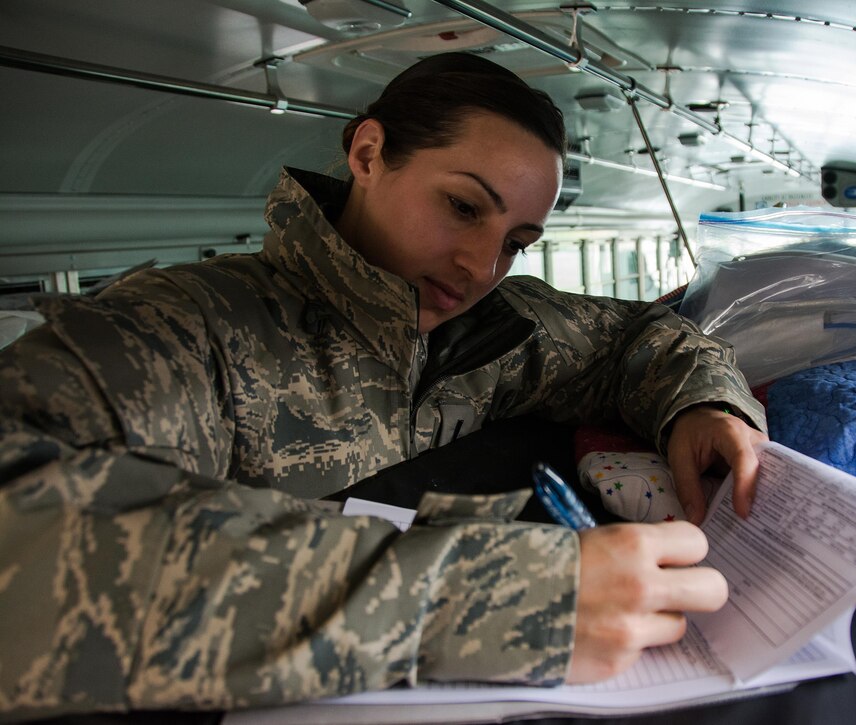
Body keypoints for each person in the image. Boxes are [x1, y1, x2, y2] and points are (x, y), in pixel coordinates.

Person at [0, 52, 767, 720]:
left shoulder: (502, 329)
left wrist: (703, 399)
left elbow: (637, 338)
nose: (480, 268)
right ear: (368, 152)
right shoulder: (185, 331)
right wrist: (491, 596)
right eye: (463, 206)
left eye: (516, 242)